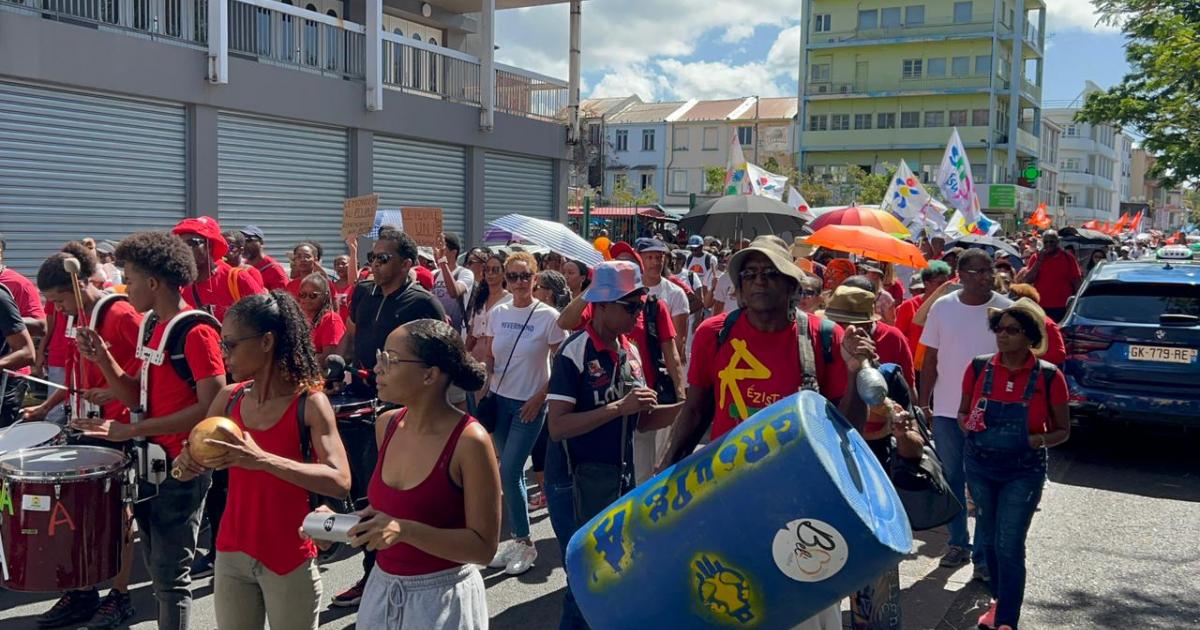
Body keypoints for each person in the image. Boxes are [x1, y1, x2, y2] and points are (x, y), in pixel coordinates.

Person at [659, 236, 876, 630]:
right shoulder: (713, 333)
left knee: (804, 604)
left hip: (802, 497)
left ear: (793, 285)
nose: (759, 281)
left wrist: (855, 372)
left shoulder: (824, 337)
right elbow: (695, 410)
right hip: (728, 491)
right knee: (735, 595)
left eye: (771, 273)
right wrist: (663, 478)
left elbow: (848, 431)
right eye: (750, 274)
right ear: (738, 289)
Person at [172, 292, 352, 630]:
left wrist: (262, 459)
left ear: (267, 341)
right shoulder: (230, 397)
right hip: (231, 552)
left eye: (231, 345)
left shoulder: (310, 403)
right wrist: (189, 460)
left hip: (290, 556)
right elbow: (193, 459)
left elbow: (340, 481)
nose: (224, 355)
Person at [75, 231, 227, 630]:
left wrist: (132, 429)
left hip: (183, 466)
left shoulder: (196, 332)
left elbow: (211, 408)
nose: (125, 286)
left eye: (131, 277)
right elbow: (136, 396)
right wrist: (104, 358)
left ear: (154, 283)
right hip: (150, 464)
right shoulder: (151, 327)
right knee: (160, 574)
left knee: (171, 581)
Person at [544, 260, 681, 630]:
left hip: (615, 479)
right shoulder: (575, 351)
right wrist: (619, 406)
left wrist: (685, 410)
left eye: (640, 305)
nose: (639, 314)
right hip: (572, 482)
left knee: (609, 575)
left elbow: (639, 421)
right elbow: (557, 428)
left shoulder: (630, 350)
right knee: (584, 580)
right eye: (631, 306)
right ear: (602, 305)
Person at [347, 319, 499, 628]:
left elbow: (483, 548)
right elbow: (387, 515)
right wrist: (340, 527)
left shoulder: (470, 441)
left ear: (429, 374)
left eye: (389, 359)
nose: (377, 368)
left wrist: (406, 530)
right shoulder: (385, 425)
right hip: (383, 590)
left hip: (443, 600)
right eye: (379, 357)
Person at [28, 243, 143, 629]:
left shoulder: (120, 313)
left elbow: (150, 368)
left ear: (75, 285)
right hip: (83, 425)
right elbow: (77, 375)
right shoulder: (77, 317)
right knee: (79, 514)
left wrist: (114, 391)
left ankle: (120, 594)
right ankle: (82, 590)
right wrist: (47, 407)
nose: (55, 308)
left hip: (118, 427)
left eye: (58, 298)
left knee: (119, 513)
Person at [331, 226, 446, 607]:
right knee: (366, 490)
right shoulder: (362, 292)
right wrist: (332, 369)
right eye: (372, 258)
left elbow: (445, 353)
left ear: (407, 264)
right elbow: (350, 337)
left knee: (394, 491)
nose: (374, 265)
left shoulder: (423, 303)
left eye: (383, 258)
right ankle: (372, 572)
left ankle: (398, 567)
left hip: (403, 408)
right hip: (360, 403)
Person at [960, 299, 1070, 630]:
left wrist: (1038, 440)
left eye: (1012, 330)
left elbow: (1063, 431)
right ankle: (998, 600)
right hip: (980, 465)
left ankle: (1007, 618)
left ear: (1030, 337)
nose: (1003, 336)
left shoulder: (1049, 377)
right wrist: (968, 423)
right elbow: (963, 412)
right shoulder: (979, 367)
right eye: (999, 329)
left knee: (1009, 543)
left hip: (1023, 470)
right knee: (990, 539)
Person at [918, 248, 1013, 578]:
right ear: (960, 275)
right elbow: (929, 359)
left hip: (993, 414)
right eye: (977, 271)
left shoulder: (1006, 309)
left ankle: (985, 559)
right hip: (946, 411)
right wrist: (923, 402)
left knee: (985, 485)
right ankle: (958, 543)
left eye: (989, 270)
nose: (986, 276)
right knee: (952, 480)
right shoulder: (942, 308)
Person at [557, 243, 686, 484]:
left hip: (640, 408)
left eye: (627, 264)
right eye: (613, 266)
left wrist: (680, 401)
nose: (635, 313)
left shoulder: (652, 306)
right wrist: (593, 291)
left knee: (640, 477)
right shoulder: (593, 317)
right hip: (598, 426)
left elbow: (672, 354)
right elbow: (565, 322)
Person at [479, 251, 565, 575]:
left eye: (524, 276)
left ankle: (525, 542)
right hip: (498, 401)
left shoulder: (548, 316)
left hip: (529, 405)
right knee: (508, 470)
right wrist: (483, 384)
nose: (518, 283)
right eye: (512, 276)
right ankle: (518, 539)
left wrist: (540, 397)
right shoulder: (497, 313)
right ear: (505, 278)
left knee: (510, 469)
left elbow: (562, 365)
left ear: (535, 277)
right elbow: (490, 354)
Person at [819, 284, 915, 446]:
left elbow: (913, 439)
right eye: (834, 325)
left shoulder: (889, 374)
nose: (840, 333)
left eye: (847, 326)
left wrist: (902, 432)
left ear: (866, 328)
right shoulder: (817, 362)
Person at [174, 217, 266, 322]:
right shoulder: (179, 286)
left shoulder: (236, 279)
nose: (185, 249)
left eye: (192, 243)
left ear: (210, 246)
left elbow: (268, 318)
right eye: (180, 243)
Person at [636, 238, 690, 359]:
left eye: (659, 257)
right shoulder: (629, 289)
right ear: (640, 259)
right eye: (649, 257)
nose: (655, 262)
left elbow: (679, 338)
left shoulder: (676, 293)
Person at [1022, 230, 1081, 323]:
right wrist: (1039, 261)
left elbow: (1076, 281)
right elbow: (1027, 280)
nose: (1049, 244)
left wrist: (1077, 303)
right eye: (1046, 242)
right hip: (1040, 306)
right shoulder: (1036, 257)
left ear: (1058, 242)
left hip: (1062, 307)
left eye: (1052, 241)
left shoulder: (1068, 258)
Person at [895, 261, 952, 354]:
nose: (944, 287)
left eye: (947, 283)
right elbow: (899, 336)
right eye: (940, 283)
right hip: (914, 361)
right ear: (926, 284)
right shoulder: (909, 306)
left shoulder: (948, 305)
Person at [465, 251, 511, 365]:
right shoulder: (480, 298)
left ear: (504, 273)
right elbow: (471, 335)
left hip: (497, 358)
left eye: (495, 270)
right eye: (487, 269)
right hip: (476, 356)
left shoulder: (511, 300)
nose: (490, 273)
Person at [1006, 284, 1067, 367]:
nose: (1009, 299)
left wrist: (1028, 358)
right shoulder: (1008, 322)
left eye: (1013, 296)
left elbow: (1059, 355)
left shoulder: (1047, 324)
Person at [297, 272, 346, 364]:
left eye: (313, 295)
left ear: (325, 295)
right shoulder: (299, 318)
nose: (307, 299)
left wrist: (298, 359)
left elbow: (329, 358)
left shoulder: (331, 319)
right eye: (302, 295)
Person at [432, 232, 475, 333]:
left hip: (456, 331)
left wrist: (442, 261)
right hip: (436, 329)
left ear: (454, 252)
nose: (438, 252)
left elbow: (454, 292)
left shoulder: (465, 273)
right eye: (437, 248)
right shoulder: (434, 274)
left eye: (443, 248)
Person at [241, 225, 290, 291]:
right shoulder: (242, 266)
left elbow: (284, 297)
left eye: (249, 240)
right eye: (242, 241)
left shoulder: (274, 269)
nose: (245, 244)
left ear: (261, 242)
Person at [685, 234, 717, 306]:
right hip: (692, 295)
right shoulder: (688, 258)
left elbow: (712, 280)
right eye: (691, 249)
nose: (693, 251)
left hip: (705, 295)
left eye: (695, 249)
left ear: (702, 247)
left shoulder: (711, 259)